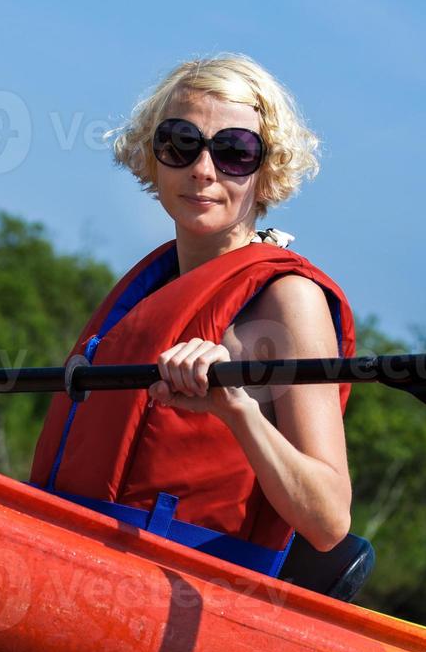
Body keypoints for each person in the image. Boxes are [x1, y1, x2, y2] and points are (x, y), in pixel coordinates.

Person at [29, 54, 358, 582]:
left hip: (184, 590)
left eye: (234, 151)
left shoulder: (287, 300)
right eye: (180, 144)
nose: (202, 169)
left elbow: (327, 520)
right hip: (68, 559)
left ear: (266, 169)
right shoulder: (153, 290)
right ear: (153, 157)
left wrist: (237, 409)